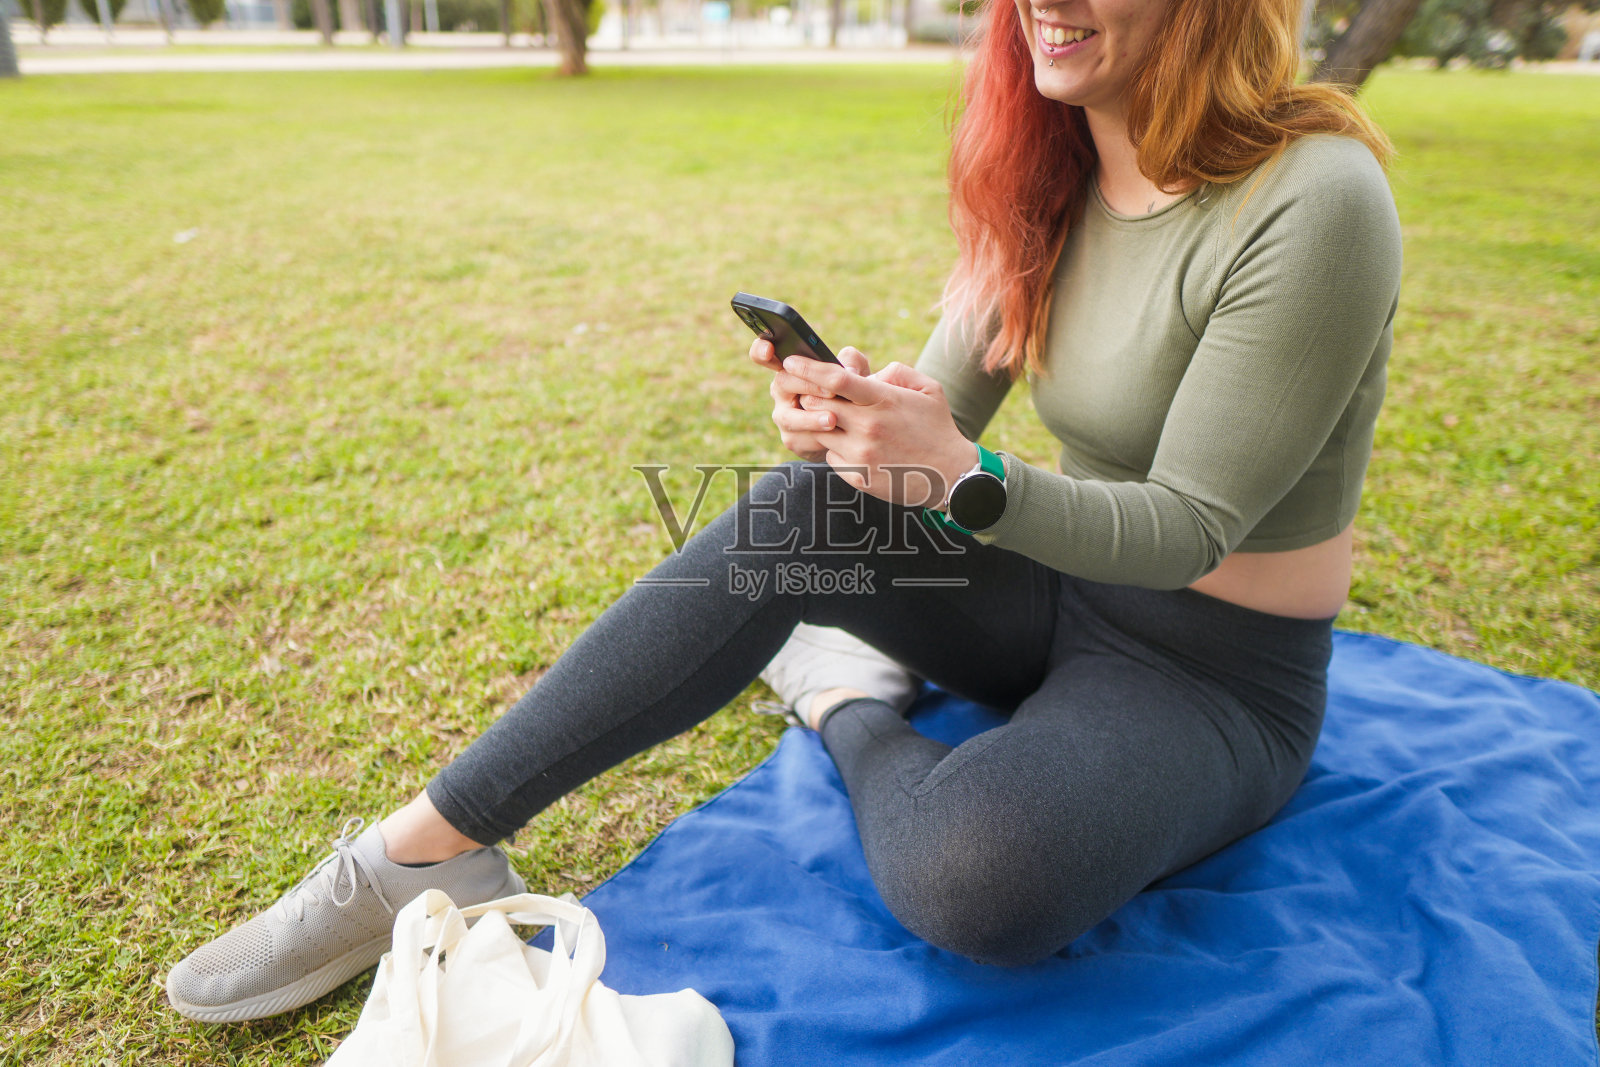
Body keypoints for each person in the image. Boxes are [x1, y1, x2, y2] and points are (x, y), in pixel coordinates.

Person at [165, 0, 1402, 1024]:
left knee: (981, 883)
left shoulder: (1315, 197)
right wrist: (859, 420)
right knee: (809, 500)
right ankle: (425, 847)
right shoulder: (1051, 164)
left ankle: (842, 698)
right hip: (1054, 596)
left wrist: (956, 475)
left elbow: (1189, 524)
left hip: (1215, 670)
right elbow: (941, 404)